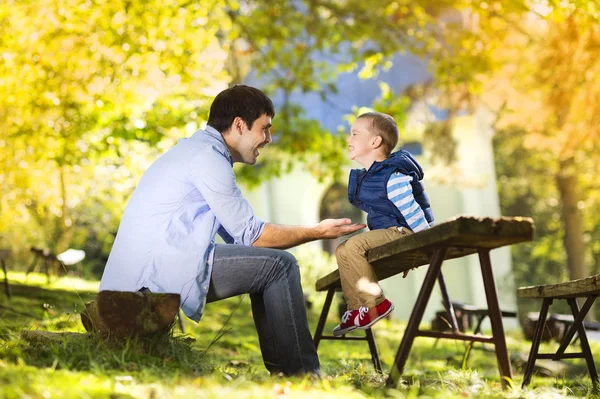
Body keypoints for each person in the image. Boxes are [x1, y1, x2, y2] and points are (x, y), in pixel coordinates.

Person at [99, 85, 365, 376]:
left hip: (151, 268)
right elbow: (254, 237)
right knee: (280, 266)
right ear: (239, 124)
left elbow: (245, 238)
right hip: (149, 277)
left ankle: (287, 371)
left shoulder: (201, 152)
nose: (268, 139)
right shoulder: (207, 157)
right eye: (264, 128)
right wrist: (317, 232)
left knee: (269, 265)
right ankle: (302, 375)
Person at [332, 111, 435, 337]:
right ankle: (355, 308)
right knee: (342, 250)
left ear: (375, 141)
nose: (349, 139)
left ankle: (376, 303)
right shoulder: (372, 176)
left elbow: (413, 210)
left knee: (353, 246)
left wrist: (425, 244)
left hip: (402, 232)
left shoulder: (393, 175)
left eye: (355, 134)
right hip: (388, 232)